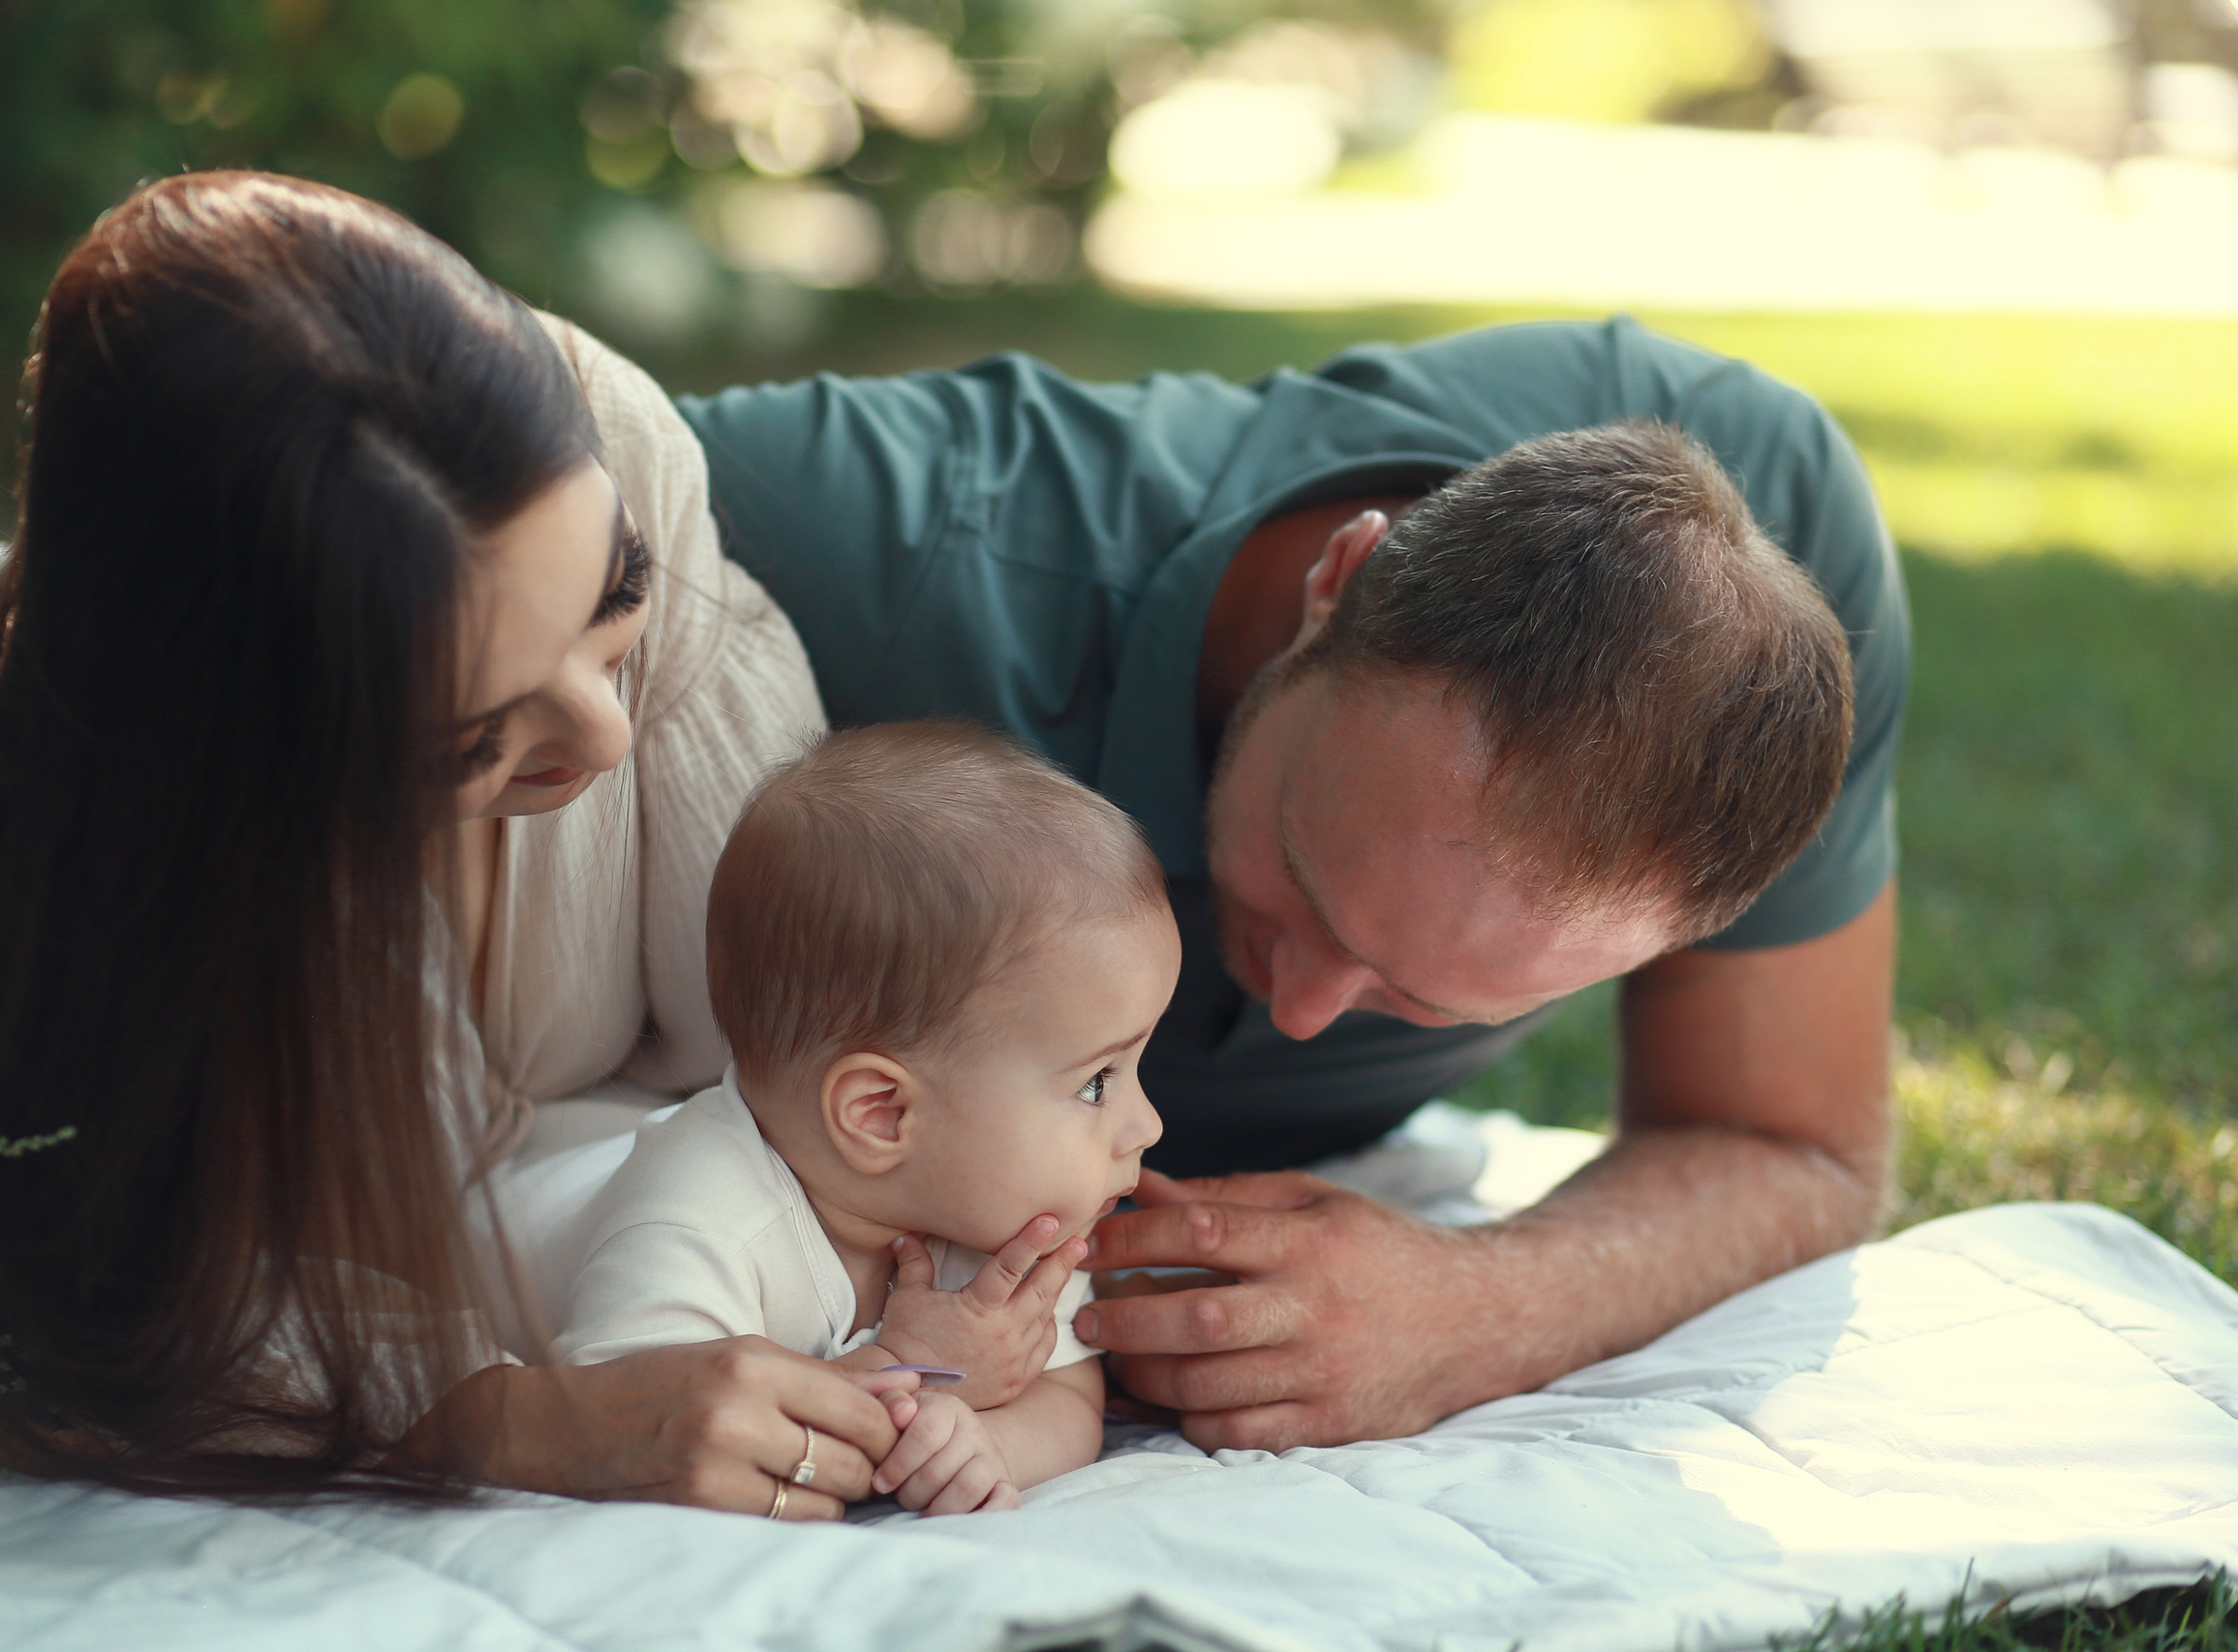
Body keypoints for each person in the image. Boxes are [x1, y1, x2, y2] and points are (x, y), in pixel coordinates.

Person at [0, 171, 908, 1515]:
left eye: (616, 598)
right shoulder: (44, 901)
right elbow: (107, 1322)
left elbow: (819, 1034)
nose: (602, 734)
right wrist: (515, 1413)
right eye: (467, 738)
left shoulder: (600, 447)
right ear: (243, 768)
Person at [679, 342, 1909, 1453]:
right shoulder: (892, 542)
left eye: (1423, 998)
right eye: (1302, 874)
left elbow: (1789, 1142)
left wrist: (1485, 1303)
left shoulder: (1767, 629)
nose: (1306, 1010)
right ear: (1340, 581)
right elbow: (506, 480)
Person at [549, 722, 1174, 1514]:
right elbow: (645, 1432)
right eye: (1097, 1083)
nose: (1148, 1125)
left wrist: (988, 1446)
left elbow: (1072, 1394)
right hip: (489, 1215)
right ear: (883, 1115)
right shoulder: (696, 1219)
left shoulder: (995, 1221)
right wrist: (901, 1363)